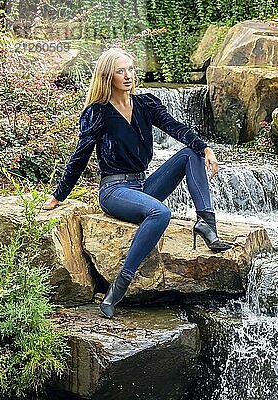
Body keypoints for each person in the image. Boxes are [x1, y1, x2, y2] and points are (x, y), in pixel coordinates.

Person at [43, 47, 233, 319]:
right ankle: (119, 286)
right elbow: (80, 156)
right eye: (120, 71)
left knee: (190, 153)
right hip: (114, 190)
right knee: (160, 212)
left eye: (131, 69)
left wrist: (205, 148)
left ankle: (206, 222)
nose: (128, 75)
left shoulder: (146, 104)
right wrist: (58, 196)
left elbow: (175, 127)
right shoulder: (97, 112)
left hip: (143, 186)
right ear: (107, 76)